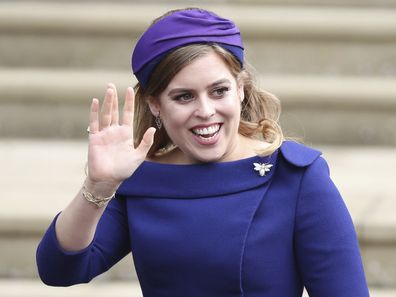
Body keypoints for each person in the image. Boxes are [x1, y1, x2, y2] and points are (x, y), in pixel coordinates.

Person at [36, 7, 370, 297]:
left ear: (240, 89)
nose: (206, 111)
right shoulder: (141, 180)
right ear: (155, 104)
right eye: (184, 97)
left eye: (219, 90)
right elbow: (59, 269)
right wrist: (97, 187)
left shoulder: (295, 176)